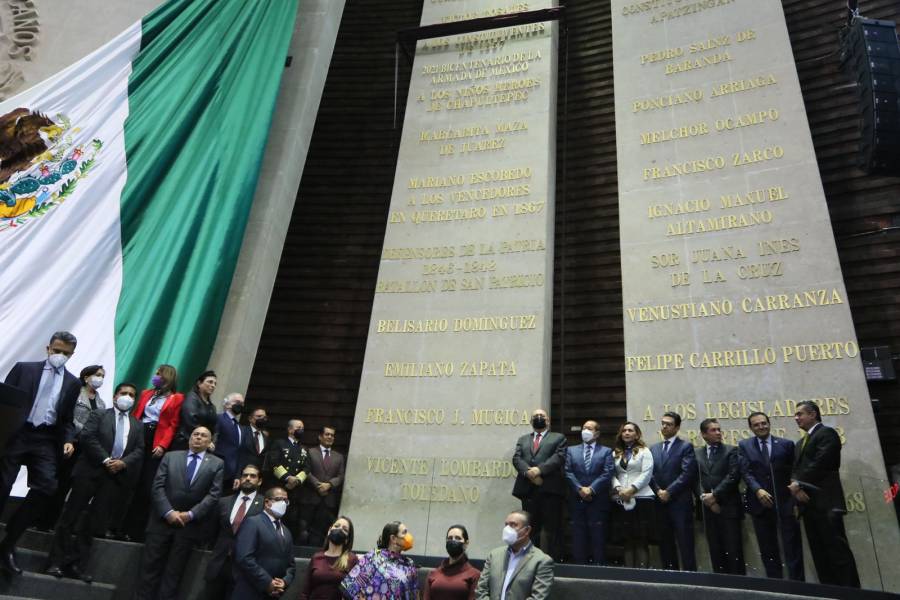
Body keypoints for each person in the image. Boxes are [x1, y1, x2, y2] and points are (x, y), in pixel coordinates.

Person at [0, 331, 80, 574]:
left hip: (45, 439)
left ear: (72, 354)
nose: (60, 356)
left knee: (46, 488)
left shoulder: (73, 382)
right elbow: (5, 401)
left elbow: (66, 419)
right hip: (17, 433)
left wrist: (68, 440)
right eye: (57, 350)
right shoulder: (24, 369)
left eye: (65, 353)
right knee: (2, 485)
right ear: (48, 348)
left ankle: (8, 543)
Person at [46, 382, 144, 581]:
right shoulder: (99, 414)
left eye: (132, 395)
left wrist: (123, 463)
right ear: (115, 397)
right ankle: (55, 561)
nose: (128, 397)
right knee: (70, 516)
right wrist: (106, 460)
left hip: (113, 477)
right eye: (124, 393)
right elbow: (88, 437)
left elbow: (140, 450)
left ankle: (75, 564)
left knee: (94, 523)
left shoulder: (137, 424)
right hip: (89, 471)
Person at [135, 426, 224, 600]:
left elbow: (214, 495)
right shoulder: (170, 456)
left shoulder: (217, 464)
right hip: (161, 522)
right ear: (190, 438)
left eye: (203, 435)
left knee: (173, 575)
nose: (198, 438)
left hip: (188, 527)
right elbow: (157, 486)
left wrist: (190, 514)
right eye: (195, 434)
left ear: (209, 441)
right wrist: (168, 512)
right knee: (148, 570)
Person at [790, 400, 859, 587]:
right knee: (820, 556)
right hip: (808, 506)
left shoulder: (827, 434)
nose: (796, 418)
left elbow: (822, 462)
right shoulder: (799, 444)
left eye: (800, 414)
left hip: (827, 504)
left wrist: (798, 483)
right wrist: (797, 489)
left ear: (813, 414)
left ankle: (851, 593)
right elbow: (795, 470)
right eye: (795, 415)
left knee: (837, 553)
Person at [35, 364, 107, 530]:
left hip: (83, 450)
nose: (100, 378)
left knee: (64, 486)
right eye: (97, 374)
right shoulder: (76, 393)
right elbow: (67, 416)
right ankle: (36, 517)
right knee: (51, 481)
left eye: (102, 376)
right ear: (86, 376)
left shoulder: (101, 403)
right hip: (67, 443)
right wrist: (85, 431)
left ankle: (49, 522)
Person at [738, 411, 803, 580]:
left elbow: (794, 471)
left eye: (763, 423)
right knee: (768, 549)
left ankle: (799, 587)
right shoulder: (745, 445)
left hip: (785, 504)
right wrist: (757, 490)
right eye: (756, 424)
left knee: (792, 548)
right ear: (751, 428)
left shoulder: (786, 444)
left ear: (769, 423)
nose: (761, 427)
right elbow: (745, 472)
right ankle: (776, 586)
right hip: (760, 504)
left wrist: (795, 499)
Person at [124, 364, 184, 542]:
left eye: (159, 374)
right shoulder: (146, 394)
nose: (155, 376)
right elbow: (137, 415)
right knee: (130, 479)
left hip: (156, 438)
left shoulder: (176, 398)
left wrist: (163, 445)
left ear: (167, 377)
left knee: (146, 485)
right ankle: (117, 526)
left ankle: (135, 530)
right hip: (139, 434)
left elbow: (173, 424)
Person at [204, 464, 265, 600]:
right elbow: (212, 532)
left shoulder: (264, 505)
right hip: (219, 564)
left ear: (259, 481)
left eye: (253, 476)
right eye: (245, 475)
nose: (248, 478)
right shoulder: (223, 502)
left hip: (244, 569)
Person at [511, 409, 566, 559]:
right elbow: (517, 459)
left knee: (551, 528)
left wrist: (539, 470)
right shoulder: (523, 439)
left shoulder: (558, 437)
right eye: (535, 416)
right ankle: (529, 559)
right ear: (530, 421)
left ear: (548, 420)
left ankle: (551, 560)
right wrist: (528, 472)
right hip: (528, 490)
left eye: (542, 416)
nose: (539, 418)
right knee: (530, 527)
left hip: (550, 490)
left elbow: (559, 457)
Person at [695, 418, 745, 575]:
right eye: (713, 430)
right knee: (715, 550)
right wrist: (706, 499)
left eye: (719, 429)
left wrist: (715, 496)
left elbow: (733, 476)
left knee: (733, 550)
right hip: (707, 510)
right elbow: (695, 479)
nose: (718, 432)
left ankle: (739, 588)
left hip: (728, 507)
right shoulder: (697, 453)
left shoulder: (731, 450)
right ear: (704, 434)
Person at [650, 411, 697, 571]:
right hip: (660, 503)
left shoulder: (685, 447)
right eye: (663, 423)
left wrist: (668, 492)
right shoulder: (654, 448)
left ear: (676, 428)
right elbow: (649, 474)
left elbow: (687, 474)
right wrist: (658, 491)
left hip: (680, 502)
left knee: (685, 544)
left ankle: (691, 580)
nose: (664, 426)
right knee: (665, 543)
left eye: (668, 424)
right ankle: (670, 576)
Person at [563, 420, 615, 565]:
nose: (585, 430)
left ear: (597, 433)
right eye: (584, 428)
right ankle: (579, 569)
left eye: (589, 428)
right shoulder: (571, 450)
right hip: (576, 500)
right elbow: (568, 472)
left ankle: (599, 570)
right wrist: (579, 488)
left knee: (598, 537)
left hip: (598, 501)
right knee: (578, 537)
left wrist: (591, 489)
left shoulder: (606, 451)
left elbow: (607, 473)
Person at [233, 487, 296, 600]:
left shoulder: (286, 531)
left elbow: (291, 565)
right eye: (279, 499)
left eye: (286, 501)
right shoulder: (253, 522)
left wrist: (284, 582)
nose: (283, 503)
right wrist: (267, 582)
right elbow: (244, 558)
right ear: (267, 503)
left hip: (274, 595)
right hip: (249, 591)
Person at [474, 511, 553, 600]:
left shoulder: (542, 560)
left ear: (527, 530)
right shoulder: (494, 555)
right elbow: (480, 590)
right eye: (506, 525)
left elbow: (538, 597)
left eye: (513, 525)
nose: (507, 529)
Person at [610, 422, 655, 568]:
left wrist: (632, 489)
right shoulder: (615, 453)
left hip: (642, 498)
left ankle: (643, 577)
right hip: (621, 497)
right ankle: (629, 576)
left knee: (641, 539)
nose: (627, 433)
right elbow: (611, 474)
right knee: (627, 539)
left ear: (637, 434)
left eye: (630, 430)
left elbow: (647, 473)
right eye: (624, 431)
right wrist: (618, 488)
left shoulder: (645, 451)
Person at [341, 521, 418, 600]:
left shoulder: (409, 564)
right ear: (393, 538)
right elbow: (350, 588)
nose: (408, 536)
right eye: (404, 533)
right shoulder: (373, 557)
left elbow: (413, 594)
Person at [300, 426, 346, 546]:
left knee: (322, 533)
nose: (330, 437)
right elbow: (306, 471)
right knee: (303, 530)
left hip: (328, 500)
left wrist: (329, 485)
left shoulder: (339, 457)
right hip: (310, 498)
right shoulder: (310, 452)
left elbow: (341, 476)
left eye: (332, 435)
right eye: (327, 434)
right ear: (320, 437)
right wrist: (318, 485)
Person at [268, 419, 310, 540]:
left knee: (291, 520)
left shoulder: (304, 449)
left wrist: (296, 479)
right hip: (280, 486)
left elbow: (307, 468)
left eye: (302, 428)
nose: (301, 430)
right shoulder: (279, 443)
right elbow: (273, 462)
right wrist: (287, 478)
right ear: (290, 429)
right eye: (298, 427)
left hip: (295, 491)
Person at [300, 516, 358, 600]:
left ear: (347, 539)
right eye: (337, 526)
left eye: (344, 529)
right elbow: (305, 592)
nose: (339, 529)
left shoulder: (352, 559)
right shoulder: (316, 557)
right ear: (329, 531)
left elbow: (356, 592)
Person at [424, 524, 480, 600]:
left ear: (466, 543)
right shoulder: (433, 574)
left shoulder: (474, 575)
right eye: (450, 538)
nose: (453, 541)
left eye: (458, 538)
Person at [172, 370, 218, 451]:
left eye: (215, 383)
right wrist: (205, 438)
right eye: (210, 382)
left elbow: (214, 427)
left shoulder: (212, 406)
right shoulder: (191, 397)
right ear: (199, 383)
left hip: (203, 445)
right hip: (185, 443)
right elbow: (190, 420)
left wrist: (212, 440)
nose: (213, 385)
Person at [216, 393, 248, 491]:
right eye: (237, 402)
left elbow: (239, 452)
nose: (240, 405)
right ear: (227, 404)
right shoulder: (218, 418)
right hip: (217, 470)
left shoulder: (240, 427)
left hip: (232, 476)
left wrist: (238, 475)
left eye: (242, 404)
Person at [238, 407, 269, 477]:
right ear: (250, 419)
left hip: (256, 476)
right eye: (259, 416)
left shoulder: (265, 437)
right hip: (240, 473)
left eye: (265, 417)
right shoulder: (241, 431)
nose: (262, 419)